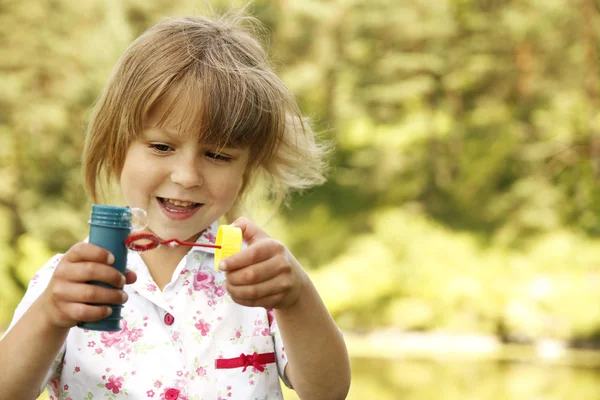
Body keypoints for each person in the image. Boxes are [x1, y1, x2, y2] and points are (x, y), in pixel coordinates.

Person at [0, 8, 351, 400]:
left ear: (246, 169)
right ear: (117, 148)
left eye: (217, 155)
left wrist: (298, 297)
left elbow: (329, 392)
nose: (187, 176)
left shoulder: (259, 281)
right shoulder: (69, 282)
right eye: (162, 146)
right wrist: (50, 314)